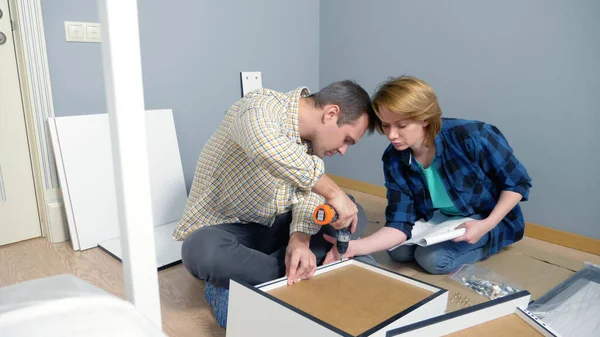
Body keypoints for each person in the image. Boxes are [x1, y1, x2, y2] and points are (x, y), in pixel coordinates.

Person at [173, 80, 379, 327]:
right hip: (231, 231)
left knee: (352, 215)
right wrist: (333, 191)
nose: (343, 150)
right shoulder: (259, 106)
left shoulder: (310, 146)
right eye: (347, 139)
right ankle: (310, 273)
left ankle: (265, 276)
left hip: (278, 226)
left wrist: (300, 239)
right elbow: (266, 147)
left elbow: (308, 196)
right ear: (331, 113)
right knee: (201, 249)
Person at [322, 76, 532, 275]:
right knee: (398, 251)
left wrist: (486, 225)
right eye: (386, 125)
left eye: (401, 125)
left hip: (485, 217)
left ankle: (489, 241)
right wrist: (354, 247)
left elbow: (517, 183)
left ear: (424, 119)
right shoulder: (394, 158)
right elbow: (399, 221)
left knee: (433, 260)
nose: (392, 135)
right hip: (441, 219)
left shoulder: (474, 136)